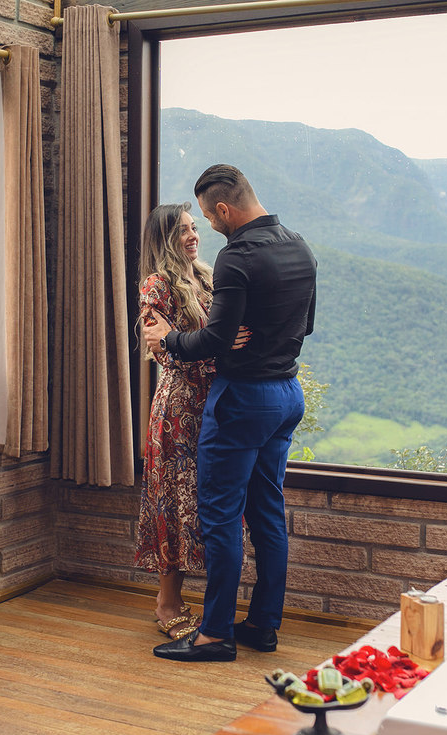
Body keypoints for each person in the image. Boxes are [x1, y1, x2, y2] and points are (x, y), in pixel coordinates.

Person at [143, 164, 317, 663]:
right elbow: (305, 323)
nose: (206, 228)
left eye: (206, 219)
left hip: (242, 399)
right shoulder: (299, 244)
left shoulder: (236, 256)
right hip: (287, 393)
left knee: (220, 518)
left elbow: (215, 341)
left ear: (223, 209)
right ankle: (263, 625)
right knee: (267, 514)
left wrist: (170, 338)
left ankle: (215, 634)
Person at [134, 202, 216, 641]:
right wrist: (217, 350)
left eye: (194, 227)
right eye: (182, 230)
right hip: (178, 411)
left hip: (214, 406)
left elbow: (204, 340)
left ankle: (198, 600)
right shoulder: (156, 285)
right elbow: (165, 351)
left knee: (204, 504)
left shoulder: (205, 277)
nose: (192, 235)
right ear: (164, 238)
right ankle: (167, 601)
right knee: (174, 502)